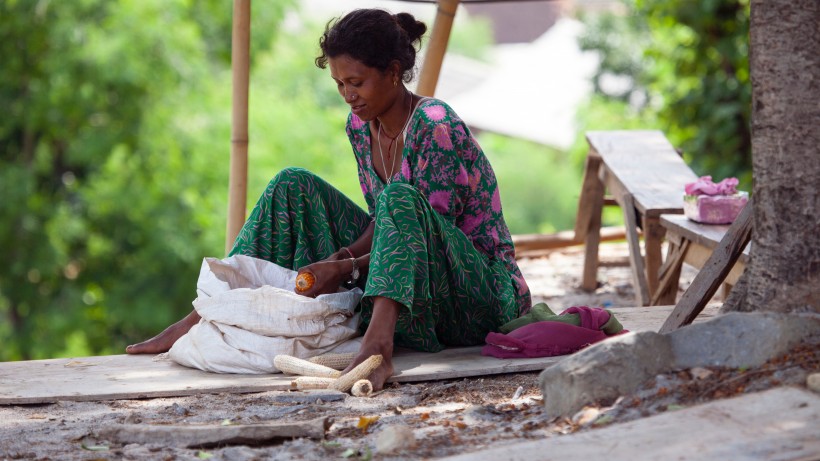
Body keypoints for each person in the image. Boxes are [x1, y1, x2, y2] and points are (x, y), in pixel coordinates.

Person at [127, 8, 531, 390]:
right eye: (340, 84)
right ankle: (202, 313)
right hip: (414, 283)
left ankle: (377, 349)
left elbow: (418, 233)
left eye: (356, 82)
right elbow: (384, 221)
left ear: (393, 73)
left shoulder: (434, 125)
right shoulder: (361, 126)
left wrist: (348, 268)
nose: (348, 95)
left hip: (477, 295)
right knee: (292, 184)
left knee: (401, 199)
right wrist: (341, 259)